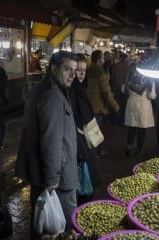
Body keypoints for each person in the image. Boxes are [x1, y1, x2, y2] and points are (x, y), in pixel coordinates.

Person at [15, 51, 78, 239]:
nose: (73, 75)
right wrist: (52, 180)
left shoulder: (43, 88)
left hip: (42, 172)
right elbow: (51, 141)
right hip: (58, 177)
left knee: (42, 222)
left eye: (74, 70)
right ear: (54, 69)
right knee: (59, 228)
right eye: (68, 69)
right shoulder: (53, 95)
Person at [69, 54, 102, 205]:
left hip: (86, 140)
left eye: (84, 70)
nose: (81, 73)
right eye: (78, 70)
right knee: (85, 184)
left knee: (88, 182)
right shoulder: (71, 91)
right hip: (80, 143)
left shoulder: (80, 88)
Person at [86, 50, 119, 156]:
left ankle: (91, 151)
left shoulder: (87, 70)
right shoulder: (101, 73)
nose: (104, 60)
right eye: (103, 58)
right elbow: (106, 93)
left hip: (86, 105)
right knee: (96, 131)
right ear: (99, 59)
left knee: (88, 130)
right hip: (97, 107)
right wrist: (116, 107)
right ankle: (97, 153)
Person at [124, 72, 156, 156]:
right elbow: (152, 96)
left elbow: (123, 89)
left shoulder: (129, 75)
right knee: (142, 128)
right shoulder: (149, 78)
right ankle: (138, 149)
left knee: (132, 127)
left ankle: (129, 146)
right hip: (143, 105)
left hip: (131, 103)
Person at [111, 52, 133, 124]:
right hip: (126, 90)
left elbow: (112, 79)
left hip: (117, 89)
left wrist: (114, 87)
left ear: (120, 58)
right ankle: (122, 121)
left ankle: (114, 120)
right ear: (126, 59)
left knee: (116, 105)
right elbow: (131, 80)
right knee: (124, 106)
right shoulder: (129, 68)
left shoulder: (115, 67)